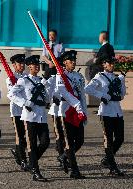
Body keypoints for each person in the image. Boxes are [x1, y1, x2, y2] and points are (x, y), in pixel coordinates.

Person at [9, 55, 50, 182]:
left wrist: (47, 92)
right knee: (31, 144)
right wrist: (25, 103)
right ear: (29, 66)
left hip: (42, 116)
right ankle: (35, 172)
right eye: (34, 64)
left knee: (45, 142)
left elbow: (47, 98)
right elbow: (11, 94)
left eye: (38, 64)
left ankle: (32, 161)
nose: (36, 66)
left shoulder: (41, 80)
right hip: (30, 117)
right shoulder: (24, 80)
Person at [85, 54, 125, 176]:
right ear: (104, 64)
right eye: (109, 63)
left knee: (119, 138)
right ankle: (112, 167)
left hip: (117, 111)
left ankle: (108, 159)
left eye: (113, 63)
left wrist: (122, 82)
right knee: (108, 139)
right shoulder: (99, 77)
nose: (112, 65)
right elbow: (88, 89)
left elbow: (122, 95)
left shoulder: (117, 77)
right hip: (106, 112)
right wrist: (103, 96)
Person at [51, 50, 87, 179]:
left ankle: (63, 157)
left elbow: (82, 95)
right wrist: (77, 105)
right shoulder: (60, 76)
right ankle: (74, 170)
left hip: (78, 112)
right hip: (66, 112)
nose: (73, 62)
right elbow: (64, 93)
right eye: (70, 61)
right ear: (64, 62)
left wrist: (84, 111)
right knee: (69, 142)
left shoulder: (79, 76)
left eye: (74, 60)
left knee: (80, 140)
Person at [6, 54, 29, 171]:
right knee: (20, 135)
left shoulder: (27, 76)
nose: (22, 65)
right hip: (16, 110)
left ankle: (18, 152)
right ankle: (24, 160)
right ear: (14, 65)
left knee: (27, 136)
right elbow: (11, 94)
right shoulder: (10, 78)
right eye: (19, 63)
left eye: (23, 63)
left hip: (28, 110)